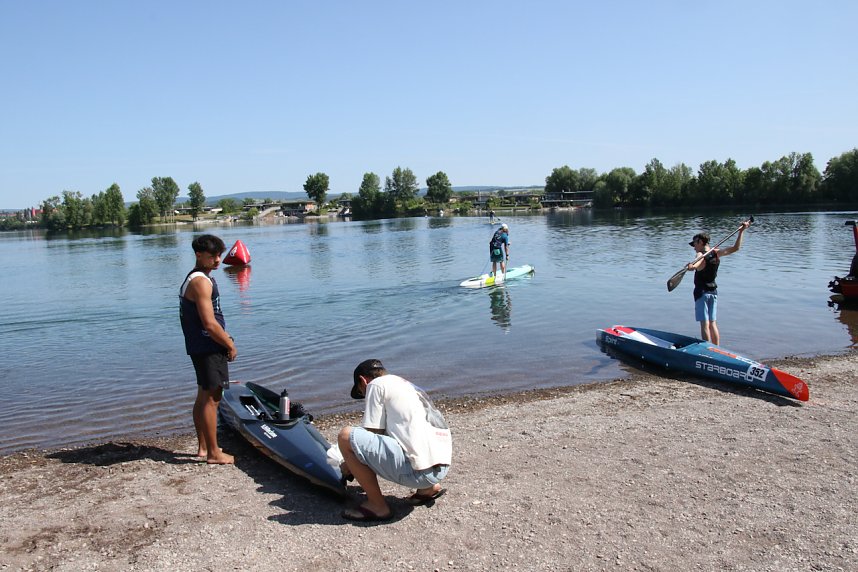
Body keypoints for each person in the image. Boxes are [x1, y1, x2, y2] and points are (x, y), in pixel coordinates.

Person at [337, 359, 452, 522]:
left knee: (346, 436)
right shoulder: (404, 385)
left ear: (363, 381)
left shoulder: (375, 385)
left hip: (419, 474)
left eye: (362, 393)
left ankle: (377, 506)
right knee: (410, 437)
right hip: (441, 468)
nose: (365, 396)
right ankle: (428, 489)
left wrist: (348, 464)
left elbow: (370, 434)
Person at [179, 234, 238, 465]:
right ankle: (214, 453)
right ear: (198, 254)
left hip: (199, 345)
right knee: (213, 398)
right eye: (213, 255)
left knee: (203, 395)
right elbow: (210, 323)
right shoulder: (201, 282)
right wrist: (229, 344)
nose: (217, 260)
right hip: (208, 345)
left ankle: (204, 447)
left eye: (219, 255)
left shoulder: (196, 277)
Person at [685, 221, 750, 345]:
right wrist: (741, 232)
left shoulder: (700, 254)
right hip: (713, 292)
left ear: (700, 242)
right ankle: (717, 348)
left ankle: (707, 349)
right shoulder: (716, 253)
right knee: (712, 323)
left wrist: (691, 266)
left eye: (694, 244)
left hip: (701, 293)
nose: (694, 247)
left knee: (704, 323)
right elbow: (735, 248)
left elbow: (697, 263)